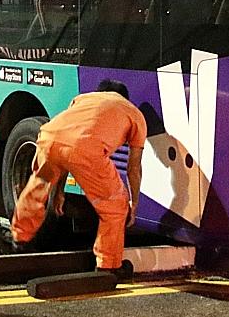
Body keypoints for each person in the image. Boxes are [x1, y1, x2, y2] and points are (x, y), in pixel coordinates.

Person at [10, 79, 146, 278]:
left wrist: (59, 192)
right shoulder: (133, 113)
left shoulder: (82, 99)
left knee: (39, 186)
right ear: (124, 97)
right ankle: (108, 265)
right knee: (115, 205)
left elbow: (65, 143)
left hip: (49, 139)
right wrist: (133, 203)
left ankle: (20, 239)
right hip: (86, 149)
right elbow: (133, 168)